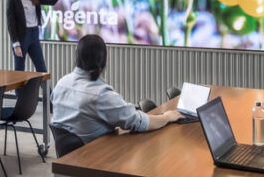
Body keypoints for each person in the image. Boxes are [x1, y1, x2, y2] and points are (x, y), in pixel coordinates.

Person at [51, 34, 182, 144]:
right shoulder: (100, 94)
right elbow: (138, 122)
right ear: (104, 60)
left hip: (69, 160)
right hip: (95, 158)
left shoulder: (61, 83)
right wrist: (167, 117)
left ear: (77, 57)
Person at [6, 0, 71, 72]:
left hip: (34, 34)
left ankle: (47, 89)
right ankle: (19, 89)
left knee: (42, 69)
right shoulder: (13, 0)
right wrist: (16, 44)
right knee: (19, 71)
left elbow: (51, 1)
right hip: (22, 37)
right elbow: (11, 24)